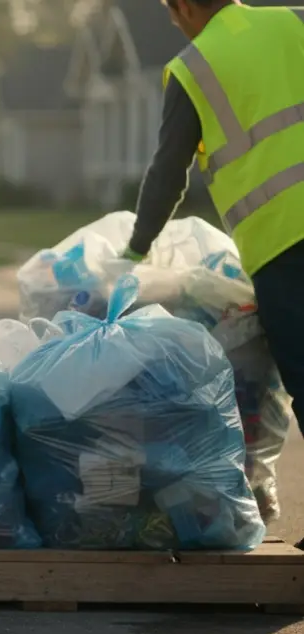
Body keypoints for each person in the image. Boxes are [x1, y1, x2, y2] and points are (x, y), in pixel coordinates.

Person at [122, 0, 304, 447]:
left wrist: (134, 251)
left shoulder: (192, 69)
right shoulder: (293, 21)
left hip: (281, 247)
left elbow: (167, 174)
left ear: (184, 6)